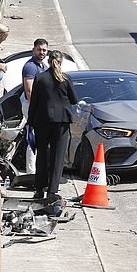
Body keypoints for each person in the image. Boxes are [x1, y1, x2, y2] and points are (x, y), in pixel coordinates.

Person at [28, 50, 78, 202]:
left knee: (41, 155)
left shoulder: (40, 77)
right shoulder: (65, 79)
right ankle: (52, 191)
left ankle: (39, 189)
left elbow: (34, 102)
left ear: (48, 61)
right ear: (60, 62)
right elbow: (74, 100)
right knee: (58, 157)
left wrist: (30, 122)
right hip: (61, 121)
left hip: (42, 120)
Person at [21, 39, 49, 174]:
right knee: (33, 139)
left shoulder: (43, 66)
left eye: (44, 50)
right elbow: (29, 91)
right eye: (39, 49)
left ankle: (37, 170)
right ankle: (31, 172)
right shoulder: (31, 66)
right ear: (33, 49)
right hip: (32, 106)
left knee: (39, 138)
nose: (41, 52)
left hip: (39, 107)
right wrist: (37, 109)